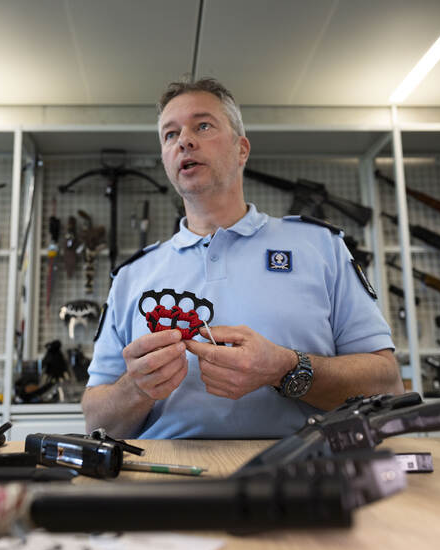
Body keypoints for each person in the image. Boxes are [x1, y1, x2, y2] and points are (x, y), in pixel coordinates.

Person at [81, 77, 403, 439]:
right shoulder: (131, 276)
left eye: (203, 125)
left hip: (302, 472)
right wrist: (135, 389)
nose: (184, 140)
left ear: (241, 149)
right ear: (165, 159)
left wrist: (285, 369)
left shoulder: (321, 247)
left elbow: (387, 385)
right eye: (170, 135)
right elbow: (97, 423)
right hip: (163, 479)